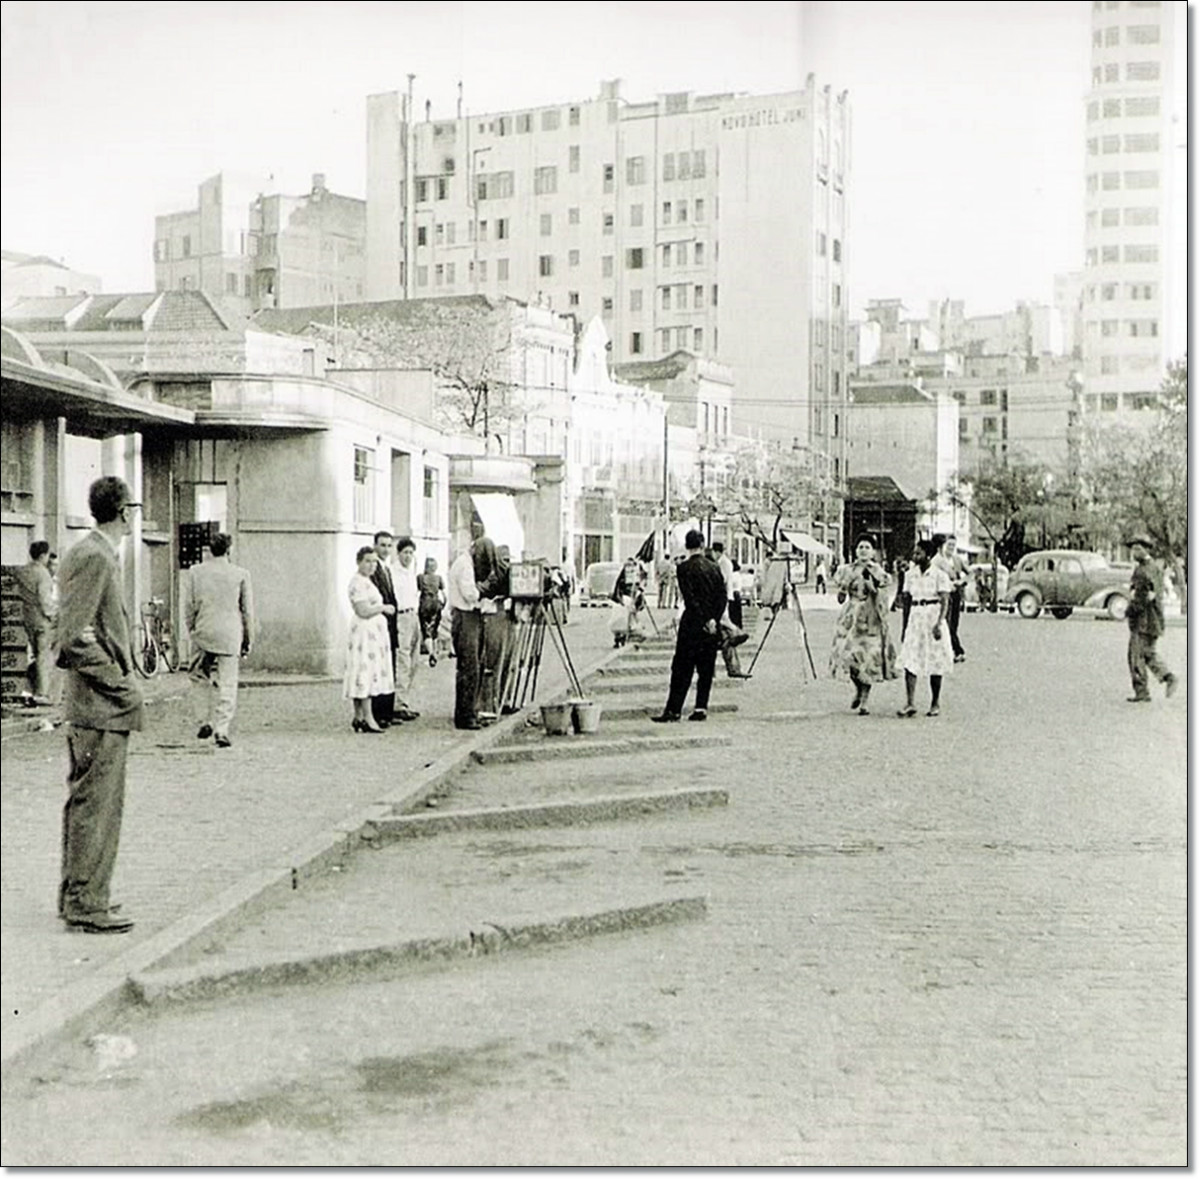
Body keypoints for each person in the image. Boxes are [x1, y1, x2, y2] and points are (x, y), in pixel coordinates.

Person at [55, 477, 144, 934]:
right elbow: (72, 637)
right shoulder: (95, 556)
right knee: (98, 806)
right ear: (125, 512)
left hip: (91, 708)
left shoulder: (88, 552)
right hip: (100, 708)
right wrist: (121, 685)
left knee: (87, 803)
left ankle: (79, 894)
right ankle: (88, 901)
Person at [181, 532, 255, 748]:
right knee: (228, 682)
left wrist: (192, 629)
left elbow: (188, 606)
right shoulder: (240, 574)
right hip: (230, 634)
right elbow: (247, 611)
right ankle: (222, 729)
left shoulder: (195, 572)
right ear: (228, 550)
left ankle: (203, 720)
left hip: (203, 631)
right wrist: (248, 639)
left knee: (198, 676)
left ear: (209, 550)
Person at [652, 529, 728, 723]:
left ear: (687, 546)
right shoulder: (714, 567)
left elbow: (690, 599)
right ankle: (701, 707)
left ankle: (674, 710)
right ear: (702, 545)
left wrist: (703, 619)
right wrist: (713, 619)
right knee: (706, 669)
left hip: (692, 624)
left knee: (682, 668)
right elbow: (722, 597)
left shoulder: (684, 568)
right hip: (711, 626)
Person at [829, 535, 898, 715]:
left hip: (871, 618)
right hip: (851, 616)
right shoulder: (846, 570)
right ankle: (858, 688)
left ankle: (865, 700)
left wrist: (873, 588)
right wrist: (843, 589)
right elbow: (840, 599)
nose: (863, 550)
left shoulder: (879, 572)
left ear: (873, 551)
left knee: (868, 659)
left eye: (867, 547)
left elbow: (884, 599)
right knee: (848, 656)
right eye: (860, 547)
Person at [896, 539, 953, 718]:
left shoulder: (939, 575)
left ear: (928, 555)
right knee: (909, 660)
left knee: (935, 660)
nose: (915, 556)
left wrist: (939, 623)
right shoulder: (910, 575)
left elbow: (945, 601)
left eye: (918, 553)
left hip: (932, 616)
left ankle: (935, 702)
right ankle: (910, 702)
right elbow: (906, 601)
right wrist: (905, 627)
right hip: (916, 617)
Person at [345, 546, 395, 732]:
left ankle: (359, 716)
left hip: (372, 633)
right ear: (359, 562)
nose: (372, 565)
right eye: (367, 561)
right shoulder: (358, 583)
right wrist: (383, 608)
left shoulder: (367, 581)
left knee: (366, 669)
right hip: (364, 633)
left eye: (374, 562)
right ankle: (367, 716)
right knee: (364, 671)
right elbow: (363, 610)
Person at [1125, 536, 1178, 703]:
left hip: (1143, 621)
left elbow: (1140, 598)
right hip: (1154, 620)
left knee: (1135, 655)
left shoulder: (1142, 571)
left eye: (1137, 549)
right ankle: (1168, 677)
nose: (1133, 552)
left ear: (1146, 550)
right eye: (1132, 549)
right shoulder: (1155, 567)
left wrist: (1129, 612)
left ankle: (1142, 692)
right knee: (1147, 653)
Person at [15, 539, 58, 707]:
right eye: (47, 555)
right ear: (43, 556)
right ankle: (43, 692)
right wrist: (53, 615)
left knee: (35, 654)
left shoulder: (23, 571)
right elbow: (45, 600)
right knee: (44, 656)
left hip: (27, 617)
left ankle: (32, 689)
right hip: (42, 620)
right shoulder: (43, 574)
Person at [448, 540, 484, 730]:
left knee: (467, 669)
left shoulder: (462, 562)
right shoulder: (466, 566)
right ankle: (466, 715)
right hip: (465, 616)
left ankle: (466, 712)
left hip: (463, 616)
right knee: (470, 668)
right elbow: (470, 594)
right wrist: (483, 589)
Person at [368, 530, 399, 727]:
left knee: (390, 668)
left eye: (389, 546)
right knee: (379, 669)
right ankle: (378, 713)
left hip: (390, 626)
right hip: (379, 624)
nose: (386, 549)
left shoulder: (386, 569)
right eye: (382, 545)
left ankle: (388, 712)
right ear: (375, 546)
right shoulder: (373, 570)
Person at [391, 536, 422, 722]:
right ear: (399, 553)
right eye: (405, 553)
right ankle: (398, 703)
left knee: (414, 661)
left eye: (411, 553)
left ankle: (405, 701)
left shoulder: (411, 571)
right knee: (402, 660)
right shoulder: (393, 572)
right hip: (401, 616)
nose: (408, 556)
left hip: (413, 616)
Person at [710, 540, 748, 678]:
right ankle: (732, 668)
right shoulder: (722, 562)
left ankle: (736, 631)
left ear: (716, 551)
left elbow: (723, 580)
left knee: (719, 634)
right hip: (722, 600)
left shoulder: (724, 563)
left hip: (722, 599)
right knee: (722, 638)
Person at [933, 534, 969, 662]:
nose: (951, 548)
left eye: (953, 545)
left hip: (955, 593)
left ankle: (952, 650)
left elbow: (969, 573)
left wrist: (962, 581)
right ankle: (957, 650)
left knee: (954, 623)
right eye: (949, 545)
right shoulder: (938, 560)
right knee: (946, 623)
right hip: (943, 593)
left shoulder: (957, 560)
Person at [417, 557, 446, 663]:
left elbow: (417, 591)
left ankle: (431, 653)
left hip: (424, 604)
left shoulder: (420, 577)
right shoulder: (439, 578)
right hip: (435, 603)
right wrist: (443, 604)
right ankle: (434, 650)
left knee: (425, 630)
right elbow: (444, 594)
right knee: (435, 629)